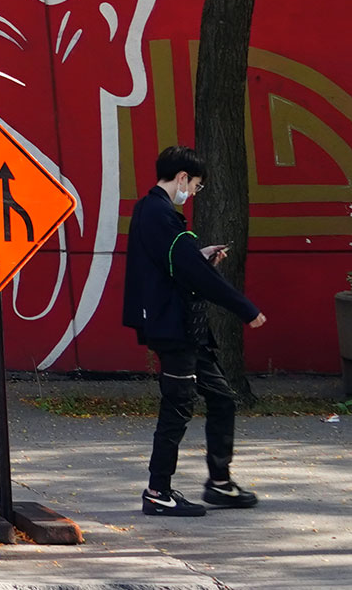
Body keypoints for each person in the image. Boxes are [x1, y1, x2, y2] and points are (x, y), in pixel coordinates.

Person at [124, 144, 265, 516]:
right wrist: (246, 309)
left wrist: (197, 256)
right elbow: (193, 275)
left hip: (183, 326)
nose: (193, 193)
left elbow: (173, 263)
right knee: (178, 406)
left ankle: (219, 483)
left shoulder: (153, 212)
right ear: (182, 177)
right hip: (174, 327)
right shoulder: (159, 214)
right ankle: (158, 492)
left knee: (221, 397)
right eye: (196, 186)